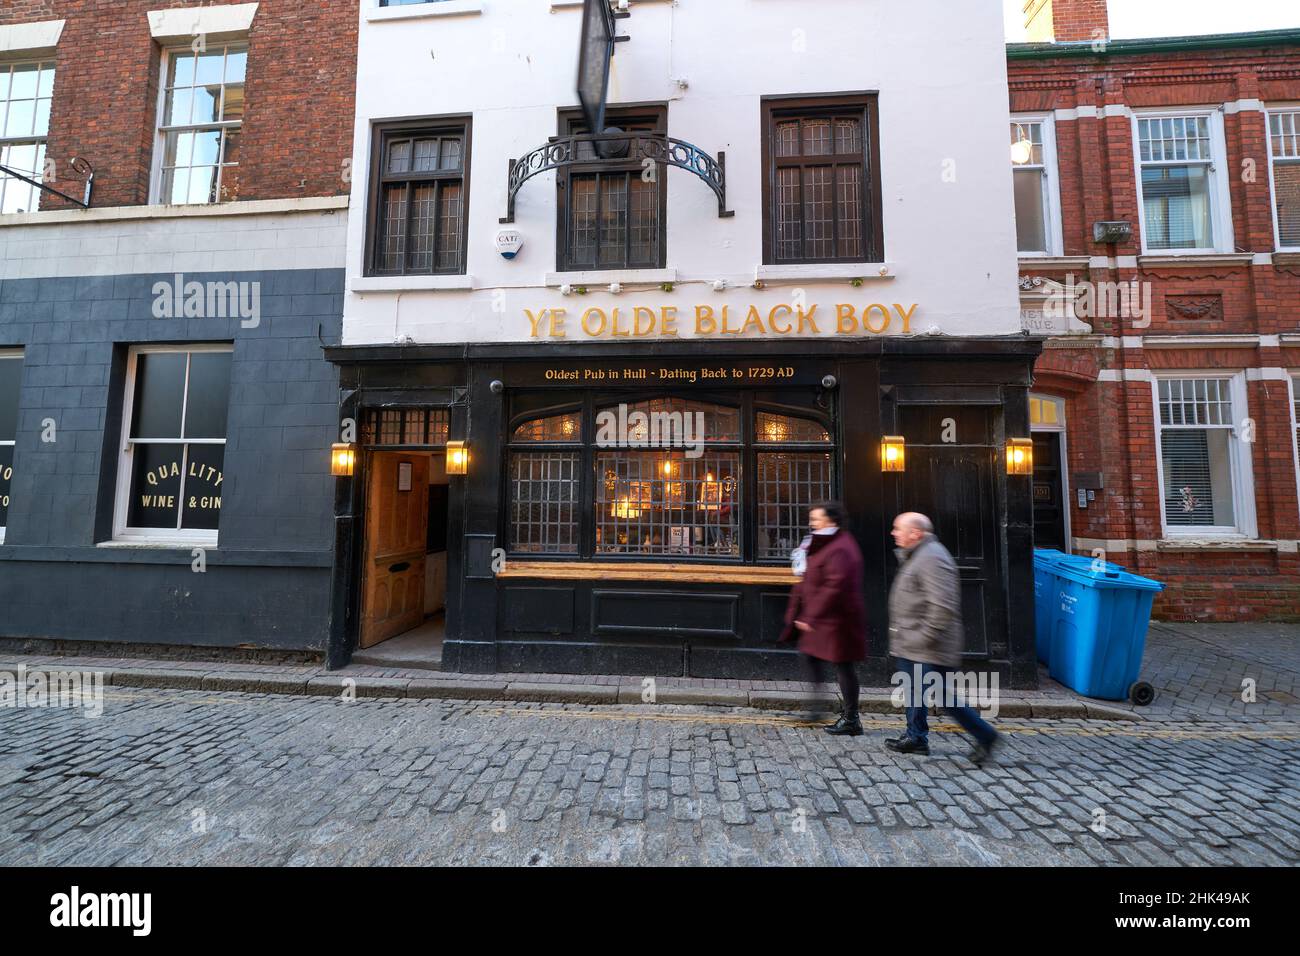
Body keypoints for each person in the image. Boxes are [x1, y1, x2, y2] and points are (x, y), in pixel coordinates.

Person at [886, 512, 1000, 765]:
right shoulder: (919, 555)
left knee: (942, 696)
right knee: (915, 691)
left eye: (898, 529)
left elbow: (943, 606)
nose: (894, 533)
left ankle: (986, 735)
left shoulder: (932, 558)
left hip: (928, 645)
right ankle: (916, 738)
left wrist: (924, 637)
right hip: (915, 643)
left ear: (916, 533)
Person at [780, 502, 867, 735]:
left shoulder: (841, 546)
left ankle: (851, 718)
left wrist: (811, 614)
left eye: (817, 518)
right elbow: (807, 574)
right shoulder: (819, 541)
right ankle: (818, 706)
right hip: (823, 617)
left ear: (832, 520)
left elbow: (835, 585)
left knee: (843, 665)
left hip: (837, 618)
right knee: (810, 657)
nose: (812, 522)